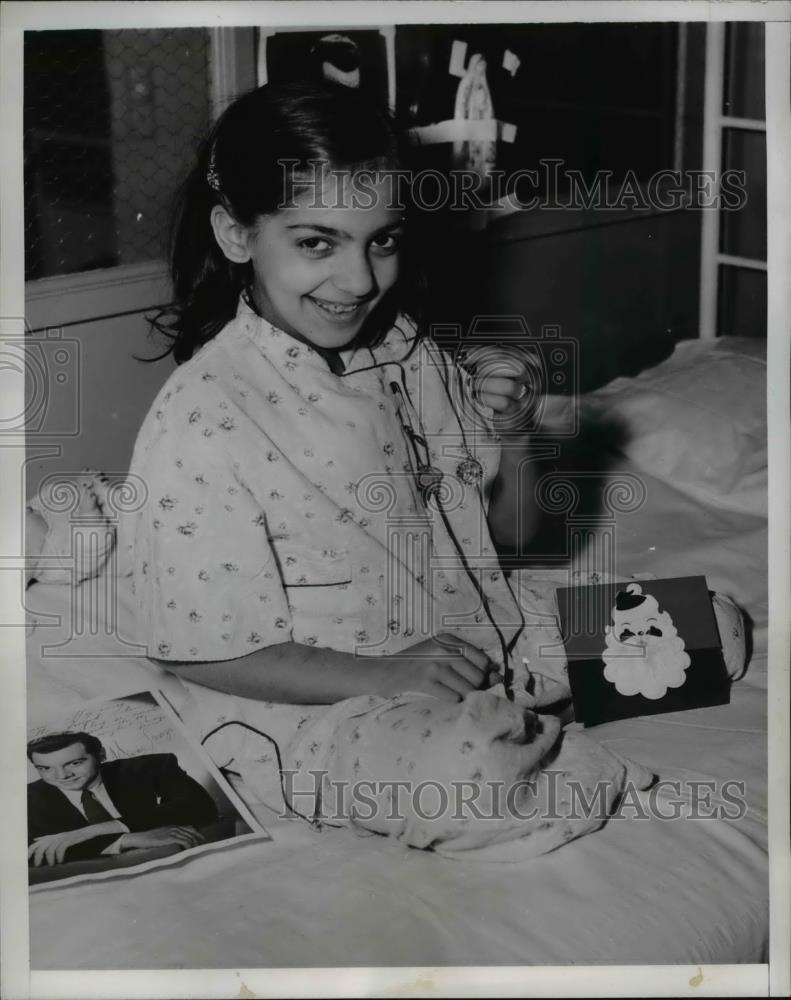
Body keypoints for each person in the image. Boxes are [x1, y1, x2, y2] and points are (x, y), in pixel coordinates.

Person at [127, 80, 648, 856]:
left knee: (714, 630)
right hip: (332, 703)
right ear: (236, 235)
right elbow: (196, 648)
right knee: (468, 775)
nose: (361, 281)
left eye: (383, 239)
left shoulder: (407, 348)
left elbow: (518, 532)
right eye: (316, 242)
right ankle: (524, 746)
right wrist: (382, 677)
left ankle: (526, 728)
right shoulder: (203, 413)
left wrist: (515, 432)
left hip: (483, 636)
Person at [27, 732, 219, 867]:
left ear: (100, 755)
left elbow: (200, 806)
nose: (61, 776)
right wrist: (125, 840)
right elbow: (21, 852)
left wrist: (95, 830)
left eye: (75, 763)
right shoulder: (28, 797)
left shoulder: (151, 766)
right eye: (45, 768)